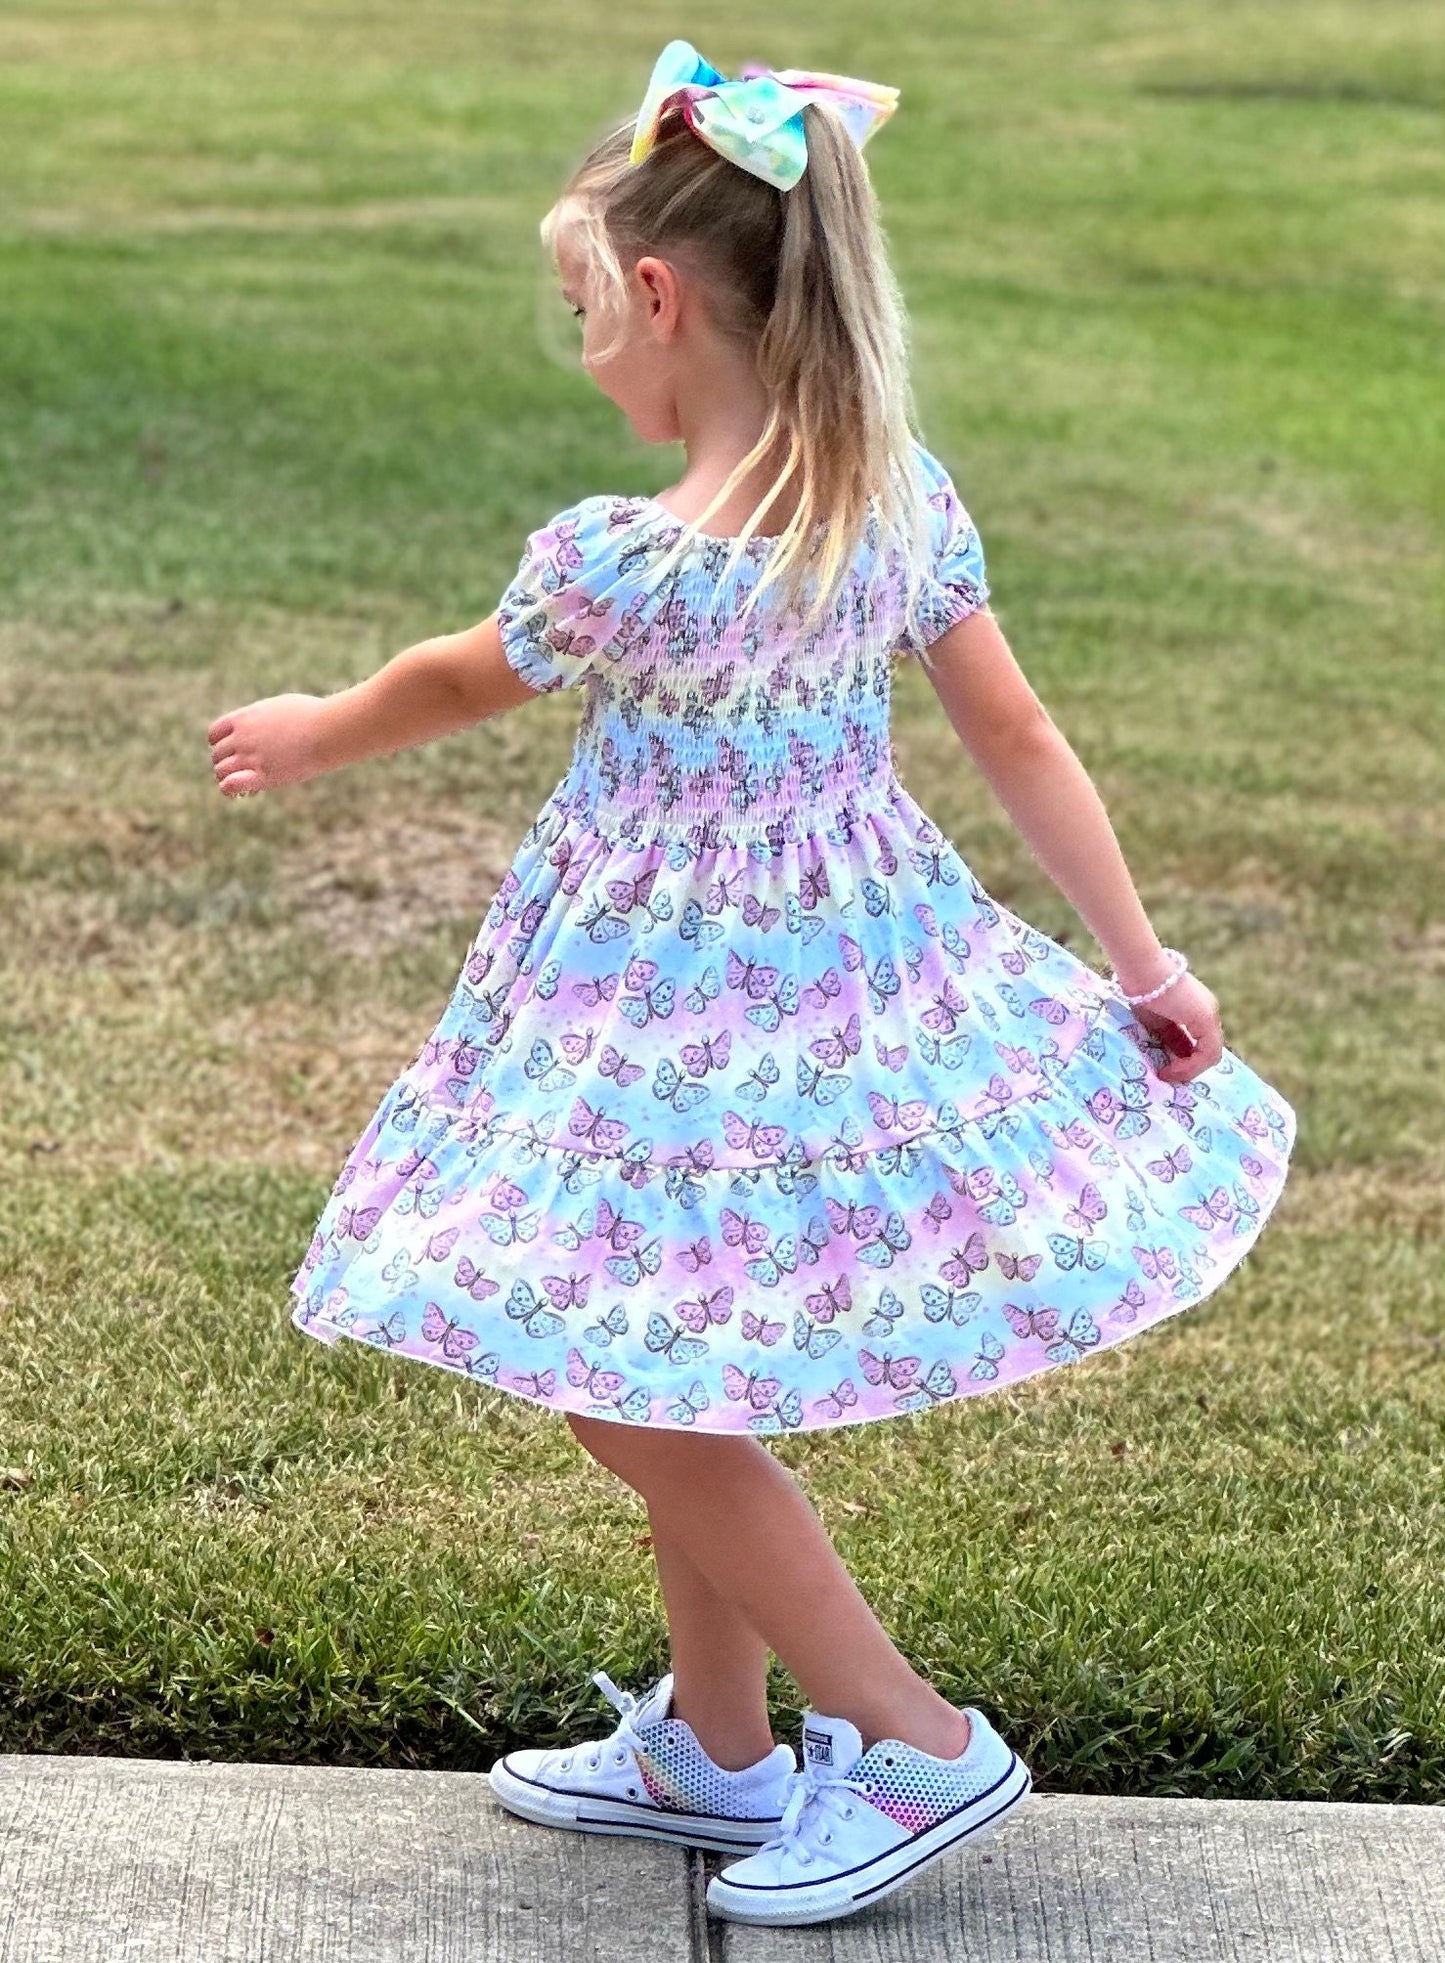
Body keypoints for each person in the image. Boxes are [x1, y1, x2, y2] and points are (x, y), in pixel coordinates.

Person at [205, 39, 1297, 1932]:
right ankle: (715, 1751)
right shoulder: (892, 501)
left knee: (616, 1378)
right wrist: (1147, 965)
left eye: (581, 310)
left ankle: (913, 1738)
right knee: (674, 1345)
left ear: (657, 297)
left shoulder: (624, 562)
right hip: (836, 993)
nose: (583, 350)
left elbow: (448, 680)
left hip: (666, 1019)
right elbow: (1020, 737)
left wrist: (310, 730)